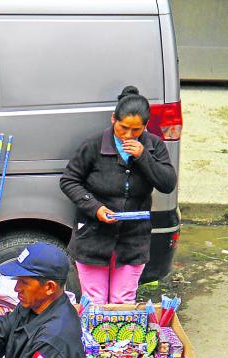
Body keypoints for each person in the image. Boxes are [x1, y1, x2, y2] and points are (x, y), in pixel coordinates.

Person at [60, 85, 177, 304]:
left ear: (145, 126)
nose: (128, 135)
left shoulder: (154, 146)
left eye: (136, 130)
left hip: (134, 239)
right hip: (93, 236)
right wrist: (95, 208)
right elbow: (69, 180)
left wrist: (144, 157)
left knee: (123, 301)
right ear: (113, 119)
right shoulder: (92, 146)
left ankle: (119, 340)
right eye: (123, 128)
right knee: (95, 302)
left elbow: (167, 184)